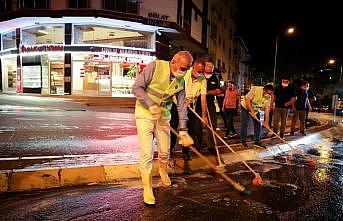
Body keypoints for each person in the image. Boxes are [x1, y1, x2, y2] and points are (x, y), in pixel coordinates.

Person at [132, 51, 194, 206]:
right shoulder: (155, 66)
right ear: (173, 61)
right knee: (146, 152)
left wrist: (183, 130)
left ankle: (163, 170)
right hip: (145, 114)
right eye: (183, 68)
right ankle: (147, 188)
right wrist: (150, 104)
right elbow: (137, 88)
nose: (183, 72)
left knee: (165, 151)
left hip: (164, 117)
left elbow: (181, 107)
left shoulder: (181, 81)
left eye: (186, 69)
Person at [183, 59, 207, 160]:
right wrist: (183, 100)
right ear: (193, 68)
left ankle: (186, 152)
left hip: (192, 105)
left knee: (190, 128)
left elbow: (203, 98)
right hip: (179, 103)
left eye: (202, 71)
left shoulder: (203, 79)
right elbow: (178, 89)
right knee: (180, 127)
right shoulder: (184, 74)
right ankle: (169, 150)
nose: (200, 73)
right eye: (199, 71)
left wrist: (204, 116)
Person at [204, 62, 222, 153]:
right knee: (196, 126)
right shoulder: (200, 76)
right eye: (209, 66)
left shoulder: (215, 77)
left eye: (212, 67)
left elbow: (218, 91)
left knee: (212, 125)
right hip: (198, 104)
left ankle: (211, 145)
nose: (211, 68)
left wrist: (207, 92)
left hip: (210, 104)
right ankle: (197, 146)